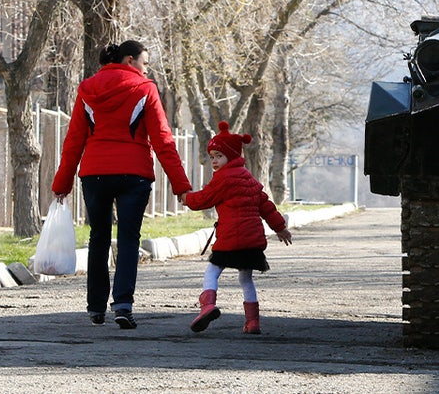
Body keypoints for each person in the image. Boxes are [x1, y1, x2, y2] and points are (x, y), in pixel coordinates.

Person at [52, 40, 192, 329]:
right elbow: (163, 141)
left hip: (95, 174)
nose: (146, 67)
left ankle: (95, 307)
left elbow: (74, 140)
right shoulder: (144, 88)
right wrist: (181, 185)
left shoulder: (88, 89)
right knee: (129, 239)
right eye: (144, 61)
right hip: (134, 174)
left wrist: (62, 182)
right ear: (130, 60)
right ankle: (123, 305)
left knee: (98, 238)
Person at [185, 121, 292, 334]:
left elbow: (203, 199)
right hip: (252, 242)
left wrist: (186, 197)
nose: (214, 161)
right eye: (212, 156)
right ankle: (253, 322)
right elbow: (267, 206)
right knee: (245, 278)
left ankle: (207, 306)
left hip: (230, 239)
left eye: (219, 156)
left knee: (212, 272)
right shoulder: (250, 180)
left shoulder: (223, 179)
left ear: (232, 156)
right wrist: (280, 228)